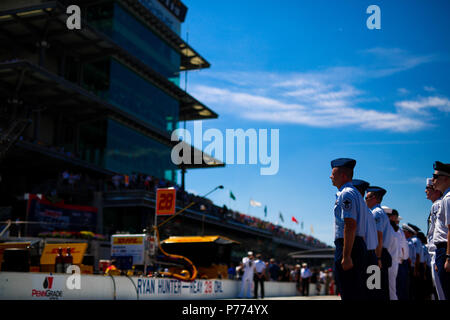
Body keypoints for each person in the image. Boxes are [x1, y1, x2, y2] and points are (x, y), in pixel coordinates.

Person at [330, 158, 368, 300]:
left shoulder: (346, 193)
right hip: (357, 245)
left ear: (343, 175)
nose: (330, 177)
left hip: (349, 246)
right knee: (356, 292)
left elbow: (350, 225)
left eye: (333, 174)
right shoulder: (357, 194)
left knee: (348, 291)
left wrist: (346, 256)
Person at [365, 186, 394, 300]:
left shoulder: (376, 213)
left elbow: (378, 236)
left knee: (374, 289)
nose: (365, 200)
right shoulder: (379, 212)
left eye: (367, 197)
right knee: (379, 289)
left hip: (377, 254)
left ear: (374, 198)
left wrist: (378, 258)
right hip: (381, 253)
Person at [353, 179, 380, 299]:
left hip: (365, 254)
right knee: (373, 289)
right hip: (372, 254)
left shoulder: (361, 209)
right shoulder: (369, 211)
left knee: (361, 290)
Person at [430, 161, 450, 300]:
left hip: (445, 249)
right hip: (442, 250)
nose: (433, 180)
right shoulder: (445, 198)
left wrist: (448, 257)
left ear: (446, 179)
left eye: (436, 177)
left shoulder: (448, 198)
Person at [425, 177, 445, 300]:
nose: (425, 191)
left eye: (428, 188)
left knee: (442, 292)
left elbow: (438, 232)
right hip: (435, 253)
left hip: (437, 252)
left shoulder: (437, 204)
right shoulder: (436, 204)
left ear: (436, 190)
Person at [385, 208, 402, 300]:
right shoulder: (394, 230)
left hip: (388, 262)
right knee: (391, 288)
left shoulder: (389, 229)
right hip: (393, 261)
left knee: (389, 289)